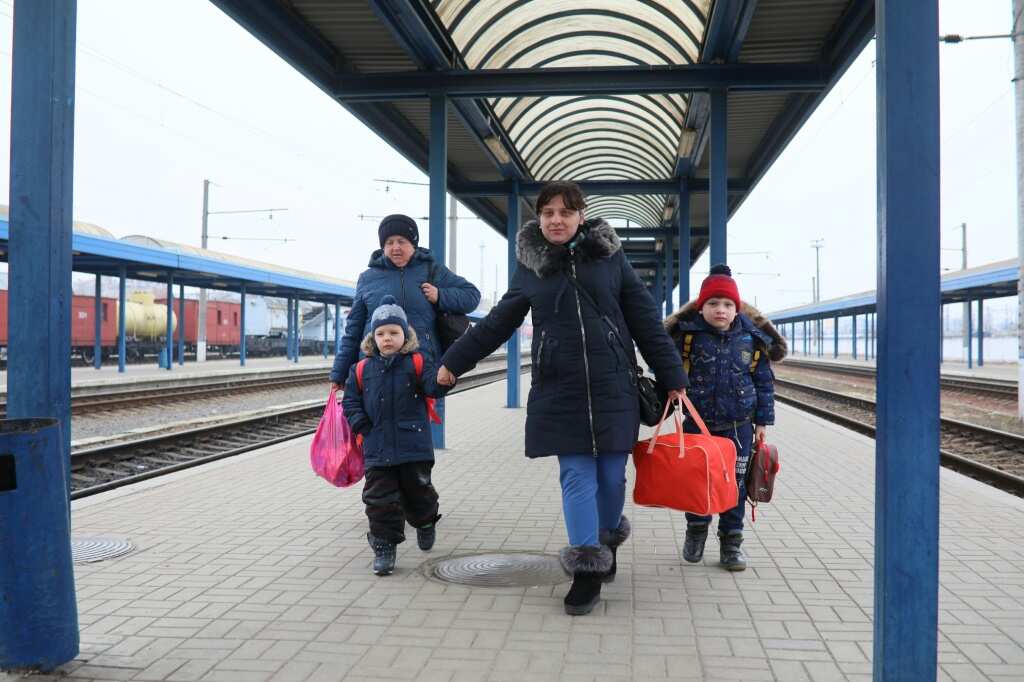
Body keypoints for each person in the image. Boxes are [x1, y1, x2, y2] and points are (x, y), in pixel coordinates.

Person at [436, 181, 687, 616]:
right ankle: (587, 569)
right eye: (548, 212)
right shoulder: (530, 268)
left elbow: (645, 319)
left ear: (580, 217)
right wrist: (452, 362)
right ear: (539, 218)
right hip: (560, 389)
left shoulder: (611, 259)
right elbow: (497, 323)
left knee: (611, 478)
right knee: (576, 477)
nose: (556, 220)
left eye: (565, 212)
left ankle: (606, 542)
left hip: (614, 386)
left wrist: (674, 377)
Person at [663, 264, 786, 571]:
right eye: (713, 304)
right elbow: (665, 366)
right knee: (699, 482)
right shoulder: (688, 338)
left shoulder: (752, 340)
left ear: (737, 308)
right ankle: (696, 531)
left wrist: (762, 423)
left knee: (736, 484)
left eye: (728, 304)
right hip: (698, 425)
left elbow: (764, 383)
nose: (721, 310)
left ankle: (731, 542)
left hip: (740, 427)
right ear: (701, 307)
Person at [341, 296, 450, 576]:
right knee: (379, 500)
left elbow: (431, 386)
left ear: (405, 335)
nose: (387, 338)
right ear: (372, 337)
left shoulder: (417, 361)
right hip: (377, 448)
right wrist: (361, 426)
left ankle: (425, 522)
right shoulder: (361, 369)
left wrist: (441, 380)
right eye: (380, 333)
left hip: (413, 446)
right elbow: (351, 401)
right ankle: (384, 547)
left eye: (393, 332)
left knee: (419, 493)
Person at [330, 214, 481, 402]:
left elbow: (472, 295)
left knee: (419, 426)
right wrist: (339, 373)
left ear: (413, 244)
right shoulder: (367, 278)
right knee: (375, 427)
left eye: (401, 241)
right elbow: (353, 330)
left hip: (422, 370)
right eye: (389, 242)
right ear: (382, 246)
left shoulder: (431, 270)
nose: (395, 247)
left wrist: (441, 295)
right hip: (375, 371)